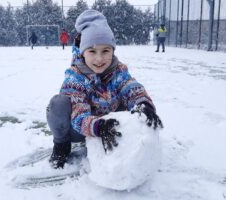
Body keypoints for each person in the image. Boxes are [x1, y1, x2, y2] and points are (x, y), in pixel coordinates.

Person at [46, 10, 163, 169]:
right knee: (57, 103)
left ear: (113, 51)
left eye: (105, 51)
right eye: (92, 51)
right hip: (81, 129)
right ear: (83, 52)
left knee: (128, 98)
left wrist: (143, 104)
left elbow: (130, 87)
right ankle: (61, 145)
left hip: (112, 126)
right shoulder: (75, 76)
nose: (99, 59)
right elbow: (79, 113)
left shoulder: (118, 71)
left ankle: (118, 140)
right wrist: (98, 126)